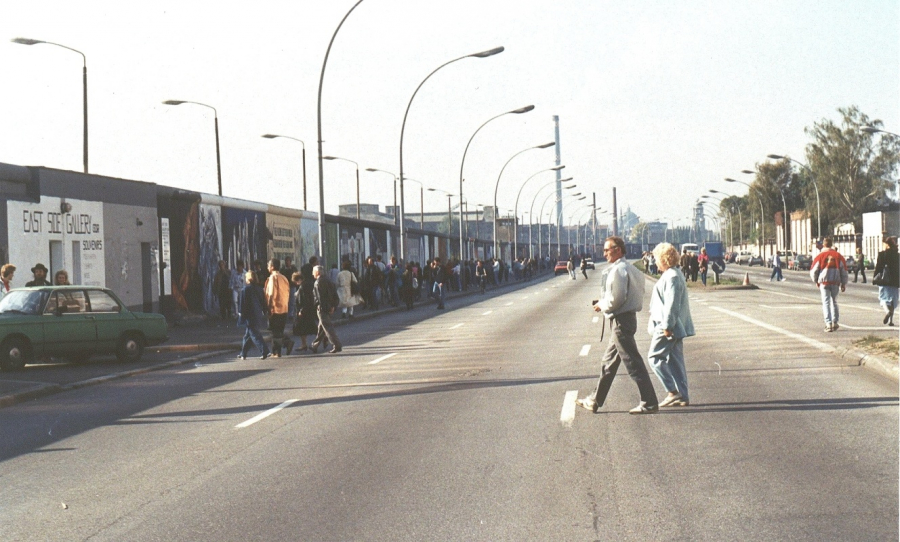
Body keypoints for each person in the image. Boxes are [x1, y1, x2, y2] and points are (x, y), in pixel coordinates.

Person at [576, 236, 659, 415]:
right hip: (626, 319)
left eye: (607, 249)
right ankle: (595, 400)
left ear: (618, 250)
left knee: (633, 362)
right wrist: (605, 301)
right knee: (608, 363)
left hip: (621, 320)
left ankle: (649, 401)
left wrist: (602, 305)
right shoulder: (630, 268)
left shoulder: (618, 270)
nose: (604, 253)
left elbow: (617, 298)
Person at [646, 243, 694, 407]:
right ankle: (683, 395)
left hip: (667, 325)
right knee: (675, 361)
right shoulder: (673, 274)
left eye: (656, 258)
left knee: (654, 357)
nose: (655, 262)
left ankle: (672, 392)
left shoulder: (672, 276)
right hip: (673, 324)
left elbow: (672, 304)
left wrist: (667, 326)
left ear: (663, 259)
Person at [810, 237, 849, 332]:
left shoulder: (820, 256)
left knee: (826, 302)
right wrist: (843, 283)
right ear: (831, 244)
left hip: (824, 282)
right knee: (834, 302)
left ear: (823, 244)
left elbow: (814, 270)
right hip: (835, 282)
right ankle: (835, 322)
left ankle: (828, 323)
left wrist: (816, 281)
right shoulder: (838, 256)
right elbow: (844, 271)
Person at [264, 259, 294, 357]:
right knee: (279, 330)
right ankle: (276, 352)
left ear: (272, 267)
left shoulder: (273, 278)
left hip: (275, 308)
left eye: (268, 265)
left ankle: (287, 343)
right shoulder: (284, 278)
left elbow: (272, 293)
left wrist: (269, 307)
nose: (267, 267)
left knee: (274, 331)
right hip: (284, 307)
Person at [237, 270, 269, 360]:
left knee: (254, 334)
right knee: (247, 335)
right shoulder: (259, 289)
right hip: (257, 313)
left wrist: (240, 313)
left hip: (249, 315)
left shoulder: (245, 289)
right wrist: (265, 310)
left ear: (248, 279)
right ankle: (243, 353)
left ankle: (265, 350)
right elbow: (263, 302)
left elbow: (242, 303)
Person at [311, 265, 342, 354]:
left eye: (313, 272)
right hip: (329, 306)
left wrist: (325, 307)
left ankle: (337, 345)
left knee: (327, 327)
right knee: (321, 327)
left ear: (317, 272)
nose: (312, 274)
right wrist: (333, 306)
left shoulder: (318, 282)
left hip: (322, 308)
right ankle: (315, 345)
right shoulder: (329, 280)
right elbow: (334, 294)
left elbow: (320, 297)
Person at [873, 236, 899, 326]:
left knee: (883, 299)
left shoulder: (882, 254)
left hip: (884, 280)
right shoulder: (897, 255)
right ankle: (891, 321)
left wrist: (875, 278)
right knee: (893, 301)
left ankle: (887, 312)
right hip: (895, 281)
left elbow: (878, 268)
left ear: (887, 245)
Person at [291, 272, 318, 352]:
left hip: (304, 311)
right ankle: (305, 344)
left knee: (303, 327)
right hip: (307, 310)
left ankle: (306, 344)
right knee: (308, 327)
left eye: (296, 281)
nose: (296, 283)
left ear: (299, 279)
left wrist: (301, 310)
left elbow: (305, 300)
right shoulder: (306, 285)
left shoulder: (303, 287)